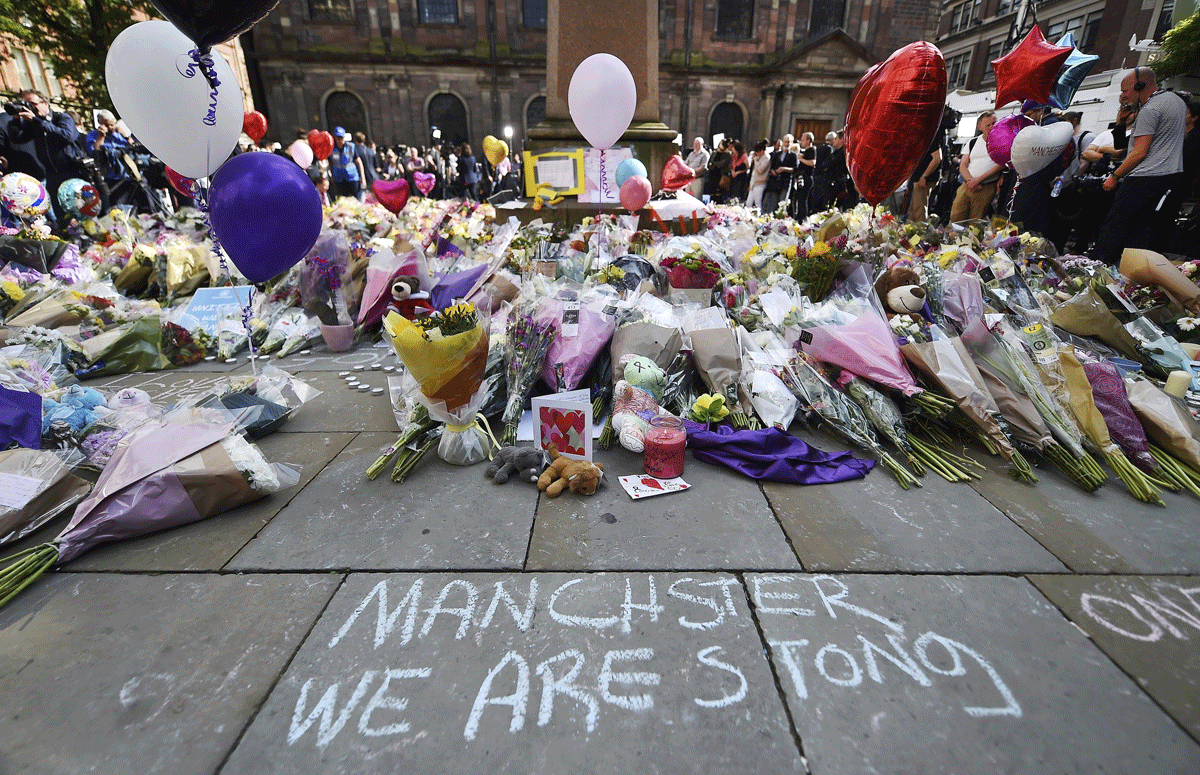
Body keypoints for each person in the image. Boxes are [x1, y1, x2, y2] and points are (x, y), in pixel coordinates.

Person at [1090, 68, 1187, 265]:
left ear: (1140, 85)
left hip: (1144, 177)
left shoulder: (1150, 109)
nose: (1122, 96)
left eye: (1125, 91)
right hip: (1172, 176)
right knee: (1143, 232)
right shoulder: (1177, 102)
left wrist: (1115, 176)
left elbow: (1140, 152)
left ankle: (1096, 269)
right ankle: (1132, 276)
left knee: (1114, 227)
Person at [5, 89, 83, 222]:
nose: (30, 107)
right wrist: (16, 120)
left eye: (32, 103)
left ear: (45, 103)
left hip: (72, 172)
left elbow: (67, 136)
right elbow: (17, 139)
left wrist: (36, 120)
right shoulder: (34, 125)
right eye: (26, 104)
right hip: (52, 175)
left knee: (80, 210)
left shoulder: (61, 117)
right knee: (61, 216)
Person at [949, 111, 1003, 223]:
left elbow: (1001, 165)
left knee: (976, 222)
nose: (992, 127)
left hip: (985, 188)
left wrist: (978, 180)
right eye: (988, 125)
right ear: (980, 127)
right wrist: (970, 180)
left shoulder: (1002, 142)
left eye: (994, 123)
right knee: (956, 217)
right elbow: (963, 165)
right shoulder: (972, 142)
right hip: (967, 185)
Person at [906, 125, 944, 222]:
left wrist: (924, 176)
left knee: (919, 211)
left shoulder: (929, 138)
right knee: (912, 210)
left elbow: (937, 158)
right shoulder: (919, 139)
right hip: (918, 177)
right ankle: (910, 233)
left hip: (923, 179)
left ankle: (921, 234)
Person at [762, 135, 795, 215]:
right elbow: (770, 166)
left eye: (789, 142)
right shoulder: (776, 154)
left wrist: (784, 169)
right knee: (772, 204)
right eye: (785, 142)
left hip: (785, 182)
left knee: (782, 204)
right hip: (775, 183)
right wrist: (772, 171)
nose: (786, 144)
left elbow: (795, 169)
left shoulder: (793, 155)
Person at [329, 127, 364, 201]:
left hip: (352, 177)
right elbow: (330, 163)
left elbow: (359, 162)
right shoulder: (332, 148)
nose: (339, 140)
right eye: (338, 138)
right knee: (343, 200)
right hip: (339, 178)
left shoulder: (351, 146)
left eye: (341, 138)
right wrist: (332, 176)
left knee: (356, 199)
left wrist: (362, 178)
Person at [790, 133, 816, 220]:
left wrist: (801, 159)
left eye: (803, 140)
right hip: (800, 178)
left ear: (808, 141)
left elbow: (812, 163)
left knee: (802, 199)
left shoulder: (812, 150)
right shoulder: (804, 151)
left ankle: (802, 218)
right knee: (798, 198)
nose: (801, 142)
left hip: (806, 178)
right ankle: (798, 217)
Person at [811, 132, 837, 212]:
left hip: (816, 174)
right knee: (821, 197)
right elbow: (828, 162)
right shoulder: (829, 148)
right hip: (822, 176)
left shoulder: (819, 147)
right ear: (832, 140)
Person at [745, 139, 771, 211]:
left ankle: (760, 217)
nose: (756, 153)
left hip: (760, 183)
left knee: (757, 203)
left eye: (757, 152)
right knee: (748, 203)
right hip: (753, 182)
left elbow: (760, 170)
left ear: (762, 151)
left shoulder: (766, 158)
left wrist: (756, 161)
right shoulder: (758, 157)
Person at [706, 138, 732, 203]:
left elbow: (722, 164)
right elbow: (709, 164)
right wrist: (713, 164)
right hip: (712, 174)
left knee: (719, 194)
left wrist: (714, 163)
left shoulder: (727, 154)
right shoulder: (714, 152)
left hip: (720, 175)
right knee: (712, 193)